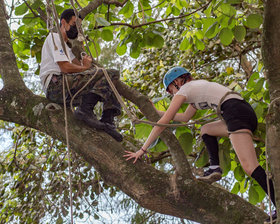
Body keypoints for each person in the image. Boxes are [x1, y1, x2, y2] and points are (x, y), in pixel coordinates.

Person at [124, 66, 276, 223]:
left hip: (234, 112)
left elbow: (164, 122)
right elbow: (184, 118)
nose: (170, 94)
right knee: (206, 129)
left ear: (176, 82)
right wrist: (153, 110)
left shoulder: (186, 89)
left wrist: (142, 149)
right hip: (241, 111)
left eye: (169, 90)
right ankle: (214, 168)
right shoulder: (195, 89)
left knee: (250, 166)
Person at [39, 9, 122, 142]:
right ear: (63, 22)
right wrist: (84, 67)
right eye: (74, 24)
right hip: (56, 86)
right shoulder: (55, 37)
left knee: (108, 80)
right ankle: (85, 110)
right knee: (110, 73)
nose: (76, 29)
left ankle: (108, 121)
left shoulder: (67, 48)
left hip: (66, 89)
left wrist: (85, 64)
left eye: (79, 26)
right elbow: (65, 67)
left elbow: (80, 69)